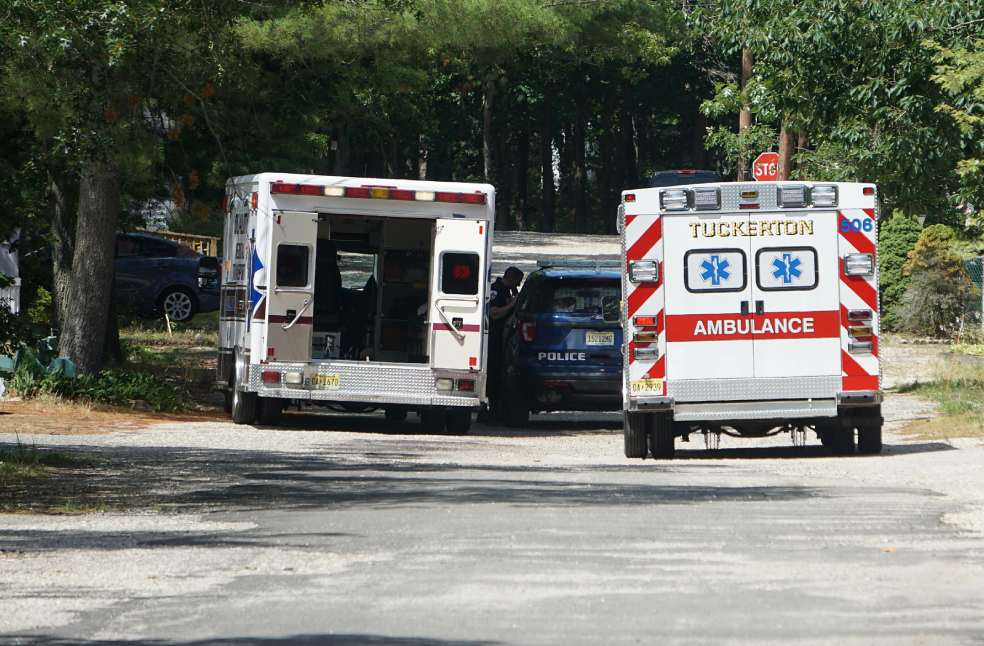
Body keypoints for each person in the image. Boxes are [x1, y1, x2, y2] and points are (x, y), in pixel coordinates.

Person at [483, 266, 524, 422]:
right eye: (517, 281)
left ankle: (496, 411)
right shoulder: (496, 291)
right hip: (493, 340)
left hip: (504, 341)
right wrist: (512, 304)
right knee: (493, 375)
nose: (518, 285)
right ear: (510, 278)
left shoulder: (508, 291)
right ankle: (488, 411)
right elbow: (494, 314)